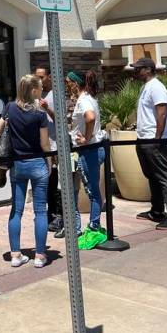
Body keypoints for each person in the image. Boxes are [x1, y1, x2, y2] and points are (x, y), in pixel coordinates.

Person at [0, 74, 51, 268]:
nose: (42, 90)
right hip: (37, 163)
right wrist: (51, 159)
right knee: (40, 211)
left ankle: (16, 255)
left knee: (16, 210)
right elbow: (44, 144)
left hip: (18, 164)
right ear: (33, 90)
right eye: (40, 88)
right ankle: (40, 255)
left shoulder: (10, 108)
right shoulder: (39, 114)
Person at [131, 57, 167, 229]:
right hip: (144, 139)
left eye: (139, 68)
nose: (136, 71)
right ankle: (157, 210)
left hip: (154, 140)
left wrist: (157, 138)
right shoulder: (146, 87)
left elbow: (162, 114)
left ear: (149, 69)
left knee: (164, 177)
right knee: (151, 175)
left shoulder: (157, 87)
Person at [71, 70, 107, 250]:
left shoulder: (84, 99)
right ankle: (94, 223)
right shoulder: (89, 98)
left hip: (89, 150)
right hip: (94, 149)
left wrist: (86, 137)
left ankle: (93, 225)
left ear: (76, 83)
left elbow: (90, 117)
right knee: (94, 190)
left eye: (68, 82)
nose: (67, 86)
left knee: (92, 192)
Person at [34, 67, 62, 233]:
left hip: (53, 146)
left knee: (54, 182)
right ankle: (50, 213)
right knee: (45, 183)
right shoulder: (38, 96)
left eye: (41, 77)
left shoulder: (54, 96)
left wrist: (47, 109)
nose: (39, 80)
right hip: (41, 147)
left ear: (49, 77)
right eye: (36, 77)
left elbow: (60, 120)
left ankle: (58, 216)